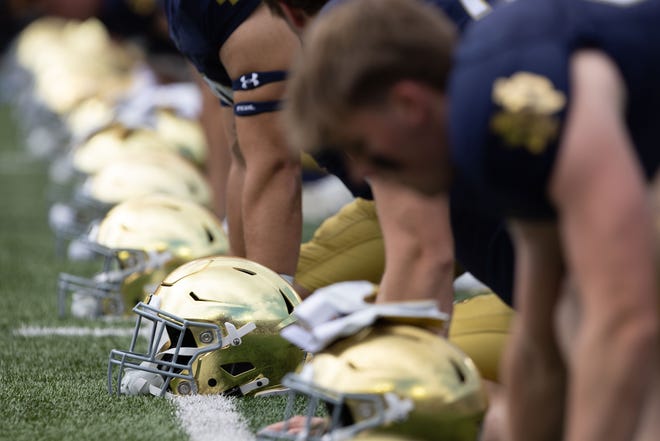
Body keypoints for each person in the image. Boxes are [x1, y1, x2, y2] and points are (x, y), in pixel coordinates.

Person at [284, 0, 660, 440]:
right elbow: (541, 346)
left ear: (408, 104)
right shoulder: (484, 139)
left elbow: (626, 322)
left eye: (362, 146)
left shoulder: (507, 106)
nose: (361, 173)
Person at [161, 0, 302, 280]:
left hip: (195, 13)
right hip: (238, 13)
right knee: (264, 158)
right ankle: (258, 303)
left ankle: (247, 293)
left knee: (251, 156)